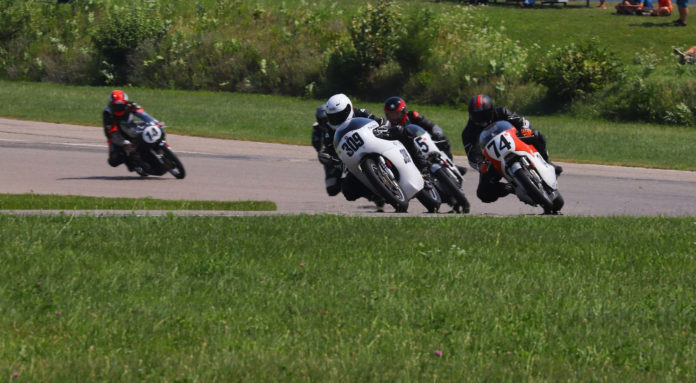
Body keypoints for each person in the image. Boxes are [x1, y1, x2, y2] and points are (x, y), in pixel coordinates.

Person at [461, 94, 562, 204]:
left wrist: (525, 129)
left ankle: (547, 162)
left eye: (483, 114)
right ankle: (514, 187)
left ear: (491, 110)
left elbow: (522, 121)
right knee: (483, 193)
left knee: (537, 136)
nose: (481, 118)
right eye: (477, 115)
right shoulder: (468, 132)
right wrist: (480, 165)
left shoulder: (502, 112)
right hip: (493, 160)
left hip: (516, 141)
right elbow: (472, 156)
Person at [321, 93, 386, 208]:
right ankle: (374, 195)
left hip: (376, 145)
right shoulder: (329, 131)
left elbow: (381, 122)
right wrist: (331, 159)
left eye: (339, 116)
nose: (336, 120)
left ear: (348, 109)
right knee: (347, 190)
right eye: (333, 117)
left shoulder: (361, 113)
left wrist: (384, 128)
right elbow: (327, 150)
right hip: (354, 160)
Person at [102, 90, 158, 175]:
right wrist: (124, 143)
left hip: (131, 127)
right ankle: (132, 163)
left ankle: (164, 147)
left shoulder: (131, 105)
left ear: (125, 103)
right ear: (111, 104)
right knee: (113, 160)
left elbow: (143, 115)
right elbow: (112, 132)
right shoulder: (108, 113)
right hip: (115, 135)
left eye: (120, 106)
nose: (118, 108)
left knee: (155, 129)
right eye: (116, 106)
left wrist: (154, 122)